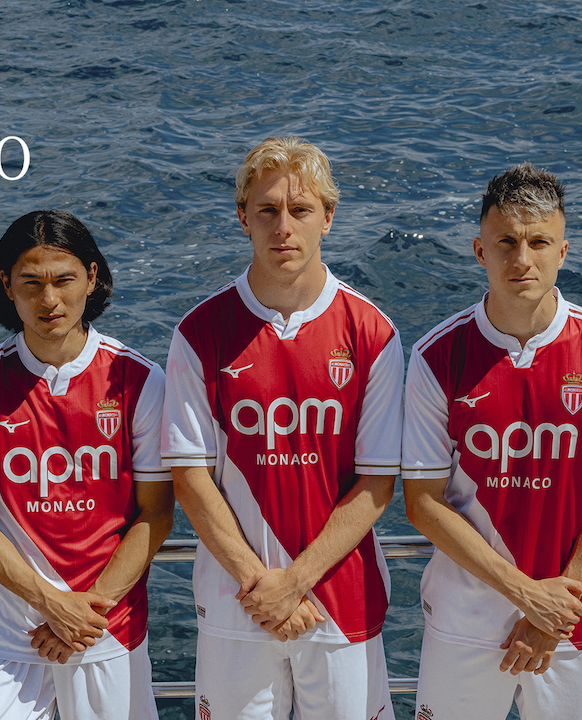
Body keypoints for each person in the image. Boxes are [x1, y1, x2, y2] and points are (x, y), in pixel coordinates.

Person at [161, 136, 401, 720]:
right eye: (267, 210)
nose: (283, 228)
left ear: (328, 217)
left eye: (300, 209)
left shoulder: (373, 333)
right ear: (242, 217)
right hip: (237, 601)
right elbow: (190, 477)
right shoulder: (200, 332)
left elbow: (376, 484)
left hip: (340, 600)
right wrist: (261, 585)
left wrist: (293, 583)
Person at [402, 163, 582, 719]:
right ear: (479, 250)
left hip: (571, 619)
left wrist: (551, 613)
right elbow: (421, 502)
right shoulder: (436, 355)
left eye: (538, 242)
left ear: (563, 251)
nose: (522, 259)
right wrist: (526, 594)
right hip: (464, 620)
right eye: (506, 242)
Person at [0, 210, 172, 720]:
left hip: (106, 629)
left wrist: (84, 615)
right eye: (32, 283)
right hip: (9, 635)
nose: (49, 300)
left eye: (63, 280)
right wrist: (52, 603)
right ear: (7, 284)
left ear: (91, 277)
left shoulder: (139, 379)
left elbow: (156, 514)